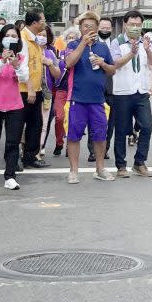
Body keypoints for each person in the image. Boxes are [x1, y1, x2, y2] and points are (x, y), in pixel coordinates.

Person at [64, 12, 116, 183]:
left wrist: (102, 63)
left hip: (97, 100)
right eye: (86, 26)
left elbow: (112, 70)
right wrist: (83, 44)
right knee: (74, 136)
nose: (89, 29)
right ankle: (73, 171)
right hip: (77, 99)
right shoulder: (73, 44)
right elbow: (69, 62)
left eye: (93, 27)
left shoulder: (103, 47)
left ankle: (100, 169)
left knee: (100, 136)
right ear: (80, 28)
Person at [110, 11, 152, 178]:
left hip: (141, 91)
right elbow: (115, 63)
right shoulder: (117, 42)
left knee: (146, 125)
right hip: (123, 92)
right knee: (122, 130)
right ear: (125, 24)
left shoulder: (145, 42)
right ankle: (121, 165)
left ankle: (139, 162)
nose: (135, 27)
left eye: (138, 25)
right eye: (132, 24)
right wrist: (131, 52)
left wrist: (148, 50)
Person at [0, 24, 29, 190]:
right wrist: (3, 60)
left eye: (14, 36)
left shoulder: (21, 58)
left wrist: (15, 65)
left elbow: (24, 77)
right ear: (1, 38)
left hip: (14, 104)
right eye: (7, 35)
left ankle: (10, 176)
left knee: (12, 141)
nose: (11, 38)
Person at [19, 10, 47, 169]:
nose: (44, 23)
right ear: (34, 23)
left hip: (36, 90)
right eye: (42, 20)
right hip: (23, 91)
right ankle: (15, 158)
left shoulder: (35, 40)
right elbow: (23, 68)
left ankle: (30, 156)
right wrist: (30, 90)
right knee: (18, 125)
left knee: (35, 124)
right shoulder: (23, 39)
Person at [88, 17, 115, 162]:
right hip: (94, 88)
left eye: (108, 28)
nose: (105, 30)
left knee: (109, 122)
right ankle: (92, 151)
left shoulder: (115, 44)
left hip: (111, 88)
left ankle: (104, 150)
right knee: (93, 121)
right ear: (98, 28)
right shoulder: (92, 43)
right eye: (102, 27)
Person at [49, 26, 78, 155]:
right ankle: (59, 142)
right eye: (69, 38)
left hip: (76, 91)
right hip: (61, 90)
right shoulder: (59, 54)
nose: (71, 40)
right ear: (65, 40)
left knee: (72, 119)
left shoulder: (81, 55)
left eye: (74, 38)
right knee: (59, 117)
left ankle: (69, 145)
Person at [38, 25, 63, 158]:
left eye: (44, 35)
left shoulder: (50, 53)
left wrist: (49, 63)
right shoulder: (27, 50)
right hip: (28, 93)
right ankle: (25, 149)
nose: (41, 37)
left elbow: (57, 74)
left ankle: (38, 149)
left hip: (46, 94)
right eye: (39, 34)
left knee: (43, 123)